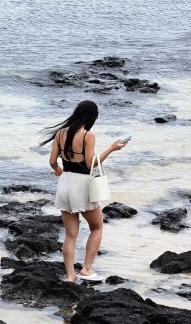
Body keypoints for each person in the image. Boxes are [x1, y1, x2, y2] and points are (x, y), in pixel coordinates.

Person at [41, 100, 129, 283]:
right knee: (97, 227)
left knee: (70, 234)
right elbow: (92, 165)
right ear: (92, 117)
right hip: (82, 186)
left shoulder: (60, 133)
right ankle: (86, 270)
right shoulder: (87, 135)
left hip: (65, 183)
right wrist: (112, 149)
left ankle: (70, 275)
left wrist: (59, 172)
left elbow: (51, 161)